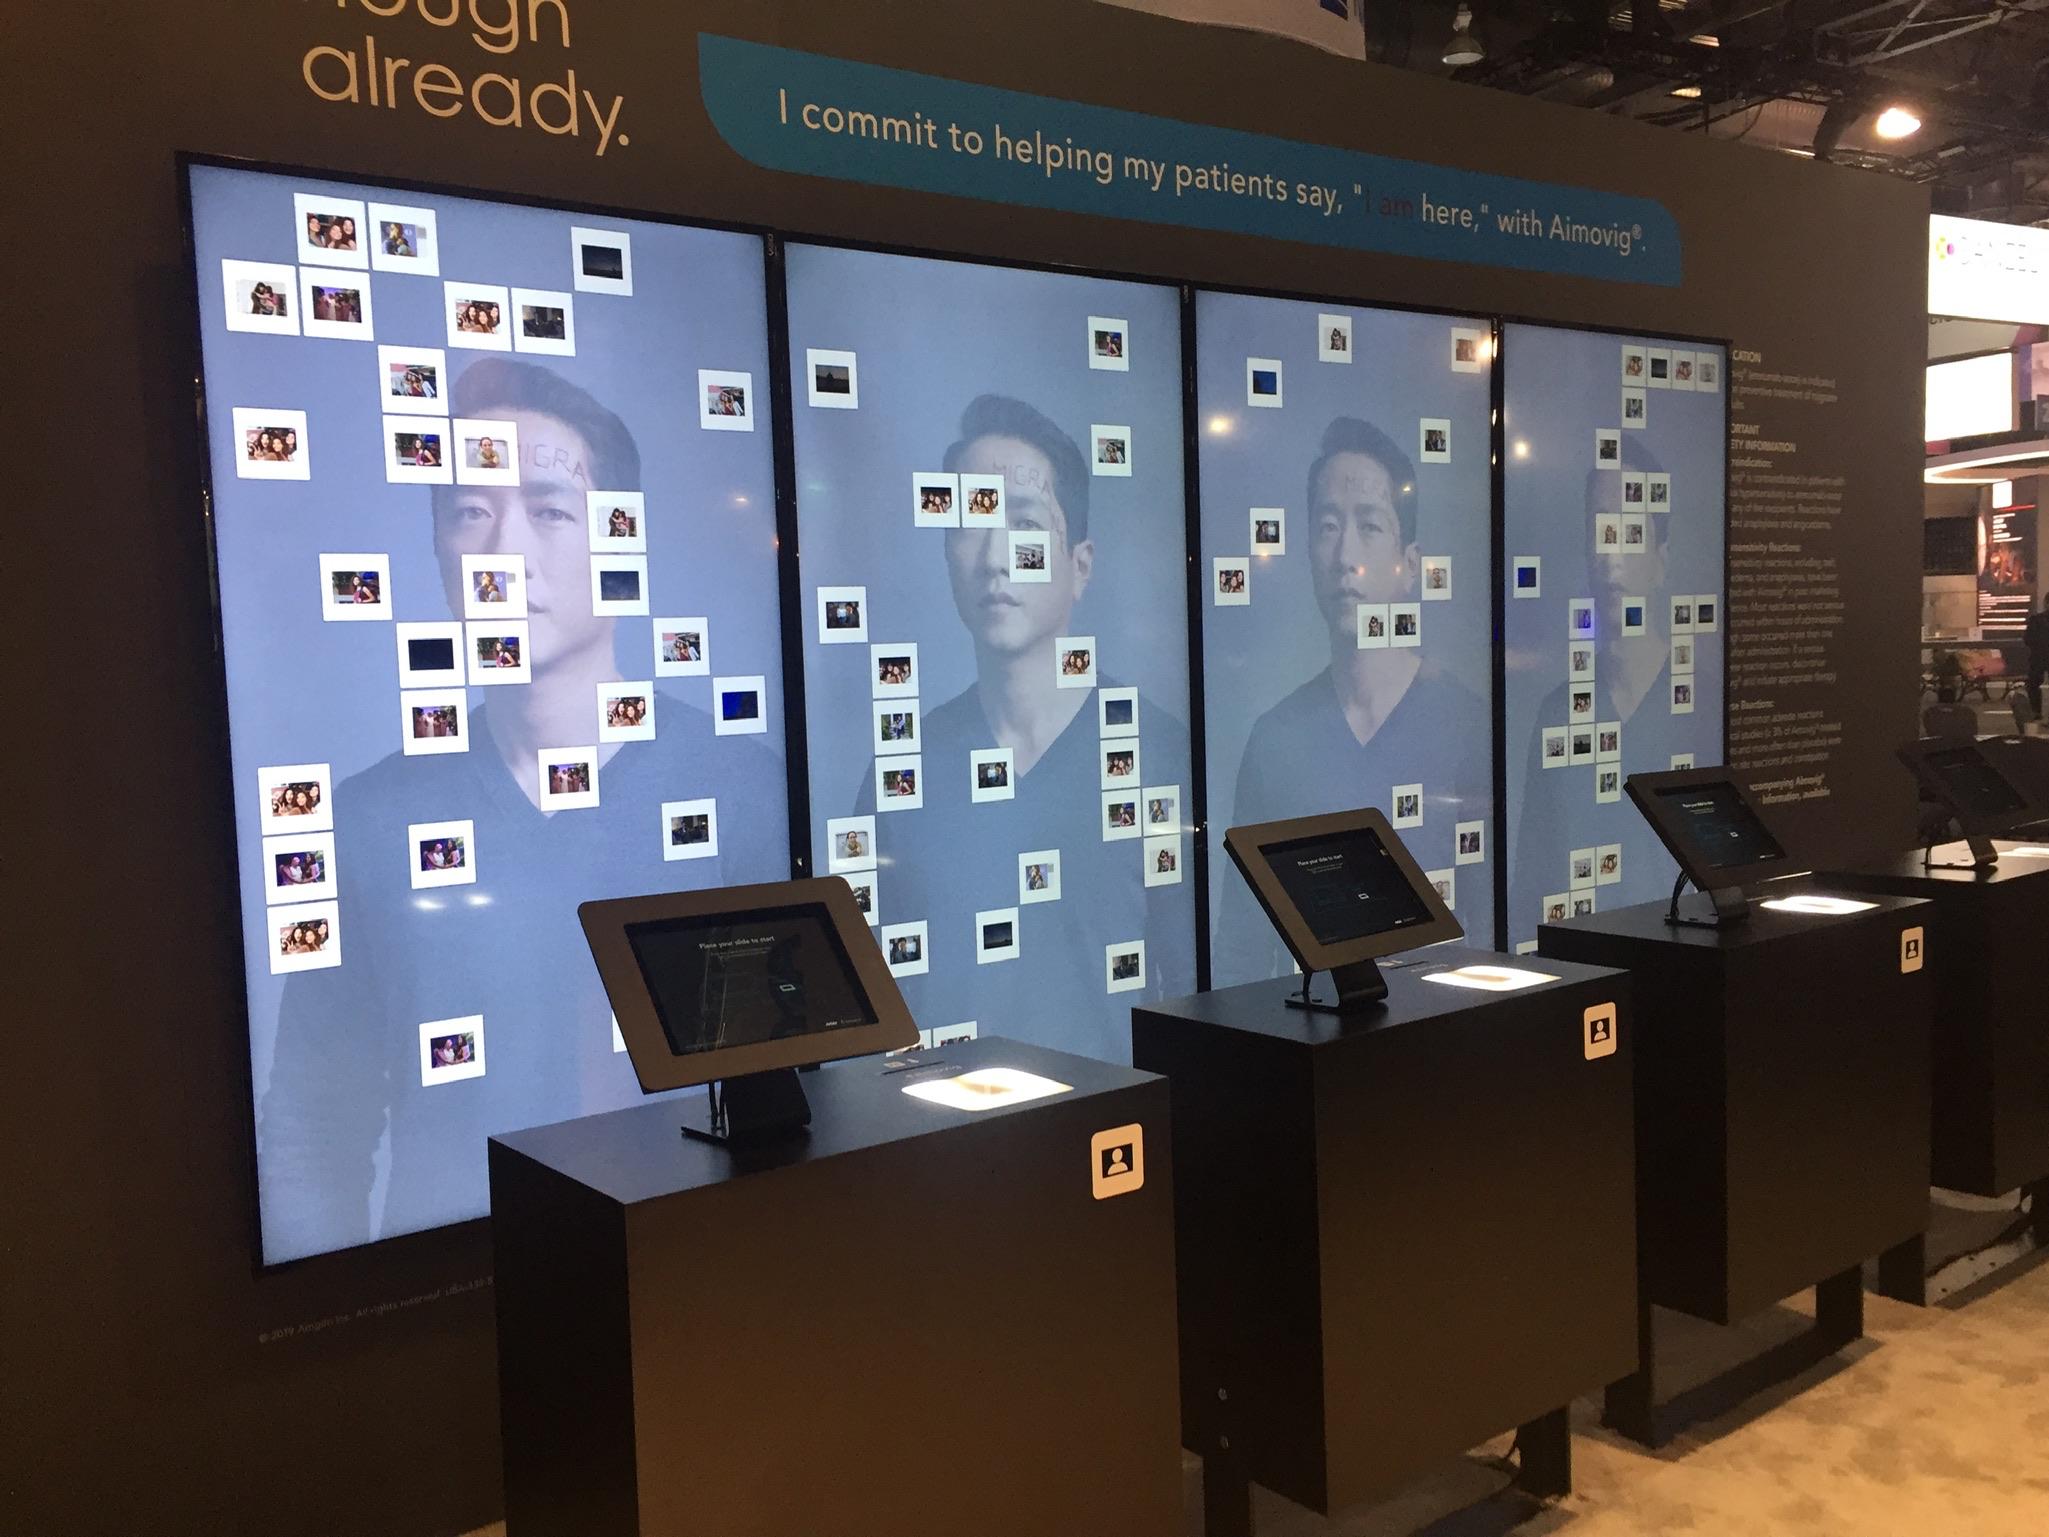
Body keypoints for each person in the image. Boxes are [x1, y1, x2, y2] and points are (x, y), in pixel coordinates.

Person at [259, 358, 788, 1260]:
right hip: (455, 1303)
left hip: (693, 1288)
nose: (504, 551)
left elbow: (796, 1102)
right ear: (438, 550)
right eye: (470, 511)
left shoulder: (738, 788)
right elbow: (313, 1132)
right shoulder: (367, 818)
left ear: (621, 542)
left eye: (549, 510)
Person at [844, 394, 1193, 1067]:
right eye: (969, 522)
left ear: (1080, 565)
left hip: (1116, 1122)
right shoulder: (903, 768)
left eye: (1024, 522)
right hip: (942, 1124)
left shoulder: (1155, 751)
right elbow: (870, 1011)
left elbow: (1190, 986)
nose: (995, 557)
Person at [1216, 416, 1490, 984]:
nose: (1345, 555)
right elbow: (1243, 950)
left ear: (1409, 564)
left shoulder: (1466, 725)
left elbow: (1488, 924)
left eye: (1369, 526)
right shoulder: (1276, 739)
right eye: (1327, 527)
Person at [2027, 590, 2048, 721]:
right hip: (2038, 657)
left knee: (2034, 685)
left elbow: (2028, 639)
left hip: (2038, 657)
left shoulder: (2035, 620)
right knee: (2033, 684)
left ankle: (2036, 711)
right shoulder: (2035, 620)